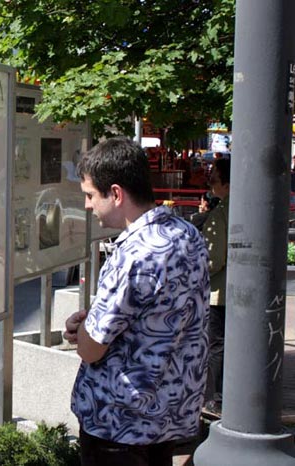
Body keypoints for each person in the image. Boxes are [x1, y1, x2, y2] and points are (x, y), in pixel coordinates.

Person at [64, 137, 210, 466]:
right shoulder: (187, 234)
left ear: (116, 194)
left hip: (119, 422)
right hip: (168, 416)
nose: (87, 205)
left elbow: (91, 348)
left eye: (90, 195)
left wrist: (82, 329)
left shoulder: (132, 254)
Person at [201, 158, 230, 415]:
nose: (210, 184)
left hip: (219, 293)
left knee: (216, 346)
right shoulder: (242, 209)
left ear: (227, 184)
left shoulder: (220, 214)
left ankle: (217, 399)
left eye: (213, 180)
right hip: (238, 292)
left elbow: (214, 259)